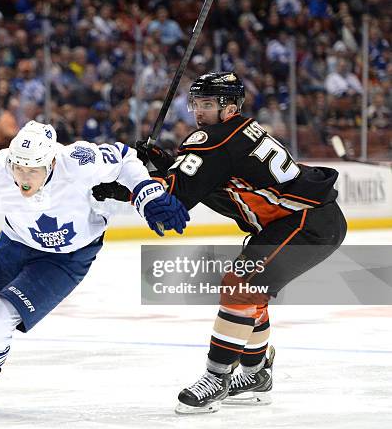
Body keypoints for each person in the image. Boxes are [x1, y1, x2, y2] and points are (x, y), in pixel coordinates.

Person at [0, 120, 188, 412]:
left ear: (52, 163)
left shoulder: (78, 161)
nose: (23, 178)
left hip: (67, 257)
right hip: (13, 243)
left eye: (33, 170)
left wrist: (148, 195)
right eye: (18, 168)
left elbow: (124, 158)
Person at [92, 72, 347, 414]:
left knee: (240, 285)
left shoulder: (212, 141)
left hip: (305, 224)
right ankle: (256, 373)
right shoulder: (238, 132)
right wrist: (169, 163)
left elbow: (179, 193)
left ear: (229, 108)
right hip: (304, 220)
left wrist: (128, 187)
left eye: (208, 104)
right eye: (196, 103)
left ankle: (217, 376)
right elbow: (215, 181)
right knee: (250, 292)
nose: (199, 111)